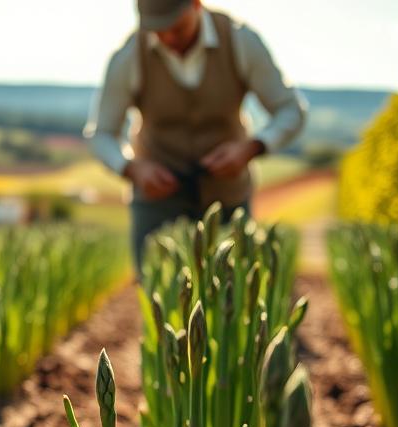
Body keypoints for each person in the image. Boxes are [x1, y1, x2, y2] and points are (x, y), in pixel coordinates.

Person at [86, 0, 307, 267]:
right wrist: (132, 169)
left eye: (176, 28)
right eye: (157, 30)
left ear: (196, 4)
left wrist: (251, 148)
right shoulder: (128, 57)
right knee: (158, 291)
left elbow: (291, 110)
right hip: (157, 204)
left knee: (232, 291)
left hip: (228, 197)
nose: (167, 37)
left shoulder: (241, 41)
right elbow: (101, 134)